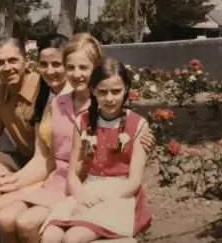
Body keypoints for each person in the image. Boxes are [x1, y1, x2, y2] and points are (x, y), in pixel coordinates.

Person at [0, 34, 155, 243]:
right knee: (22, 225)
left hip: (109, 192)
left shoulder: (115, 112)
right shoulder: (70, 112)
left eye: (83, 68)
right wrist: (13, 182)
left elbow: (131, 170)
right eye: (70, 68)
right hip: (74, 185)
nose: (109, 97)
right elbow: (54, 160)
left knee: (58, 234)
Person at [0, 33, 72, 243]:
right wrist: (1, 173)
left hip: (63, 179)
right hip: (39, 168)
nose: (50, 71)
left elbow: (51, 161)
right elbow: (42, 158)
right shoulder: (50, 101)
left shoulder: (68, 97)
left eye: (57, 64)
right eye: (44, 64)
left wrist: (11, 184)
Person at [40, 57, 153, 243]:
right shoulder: (83, 122)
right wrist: (81, 196)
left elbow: (134, 181)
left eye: (116, 91)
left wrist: (102, 201)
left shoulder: (138, 124)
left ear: (126, 88)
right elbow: (72, 173)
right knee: (50, 236)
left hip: (120, 194)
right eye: (102, 92)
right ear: (92, 90)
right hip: (89, 189)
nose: (109, 98)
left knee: (72, 238)